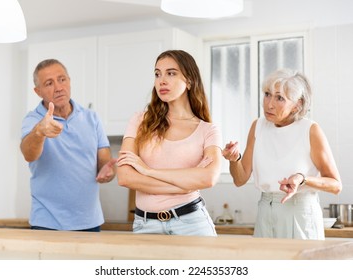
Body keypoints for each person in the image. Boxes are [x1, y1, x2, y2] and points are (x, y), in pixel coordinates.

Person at [222, 68, 342, 240]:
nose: (269, 104)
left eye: (279, 98)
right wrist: (235, 160)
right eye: (267, 94)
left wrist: (303, 178)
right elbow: (240, 179)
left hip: (299, 211)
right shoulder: (258, 126)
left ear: (297, 104)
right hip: (265, 210)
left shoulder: (310, 130)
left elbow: (336, 185)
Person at [117, 50, 222, 236]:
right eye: (157, 74)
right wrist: (187, 184)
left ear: (189, 81)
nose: (162, 80)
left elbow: (208, 178)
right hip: (145, 226)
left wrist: (148, 171)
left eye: (171, 73)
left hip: (192, 224)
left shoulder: (208, 130)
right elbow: (125, 176)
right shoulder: (140, 121)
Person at [20, 59, 116, 232]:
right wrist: (39, 132)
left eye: (62, 79)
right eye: (49, 83)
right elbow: (28, 154)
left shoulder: (91, 118)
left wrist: (108, 171)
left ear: (69, 81)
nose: (58, 87)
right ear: (38, 91)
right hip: (47, 223)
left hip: (89, 221)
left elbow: (104, 160)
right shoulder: (33, 120)